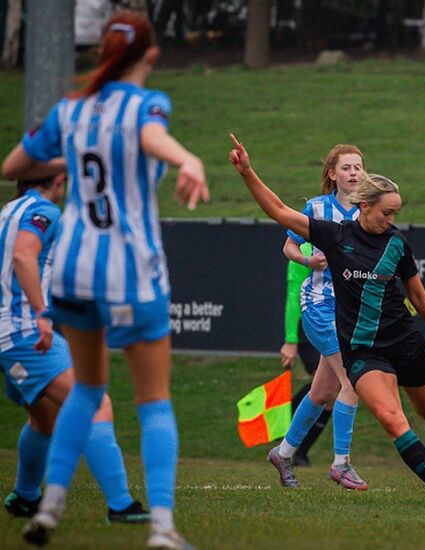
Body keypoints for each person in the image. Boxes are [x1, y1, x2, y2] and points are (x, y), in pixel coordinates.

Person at [2, 10, 209, 549]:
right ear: (151, 55)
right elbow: (149, 134)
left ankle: (49, 507)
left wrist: (47, 139)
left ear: (101, 55)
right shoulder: (147, 103)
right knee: (153, 402)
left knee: (88, 391)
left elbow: (14, 163)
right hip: (131, 272)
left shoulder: (68, 111)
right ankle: (162, 528)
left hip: (72, 270)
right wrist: (187, 158)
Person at [229, 134, 425, 508]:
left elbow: (419, 298)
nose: (392, 220)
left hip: (403, 342)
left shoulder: (396, 244)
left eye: (396, 214)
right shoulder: (332, 231)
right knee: (383, 410)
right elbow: (278, 210)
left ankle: (286, 450)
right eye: (387, 213)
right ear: (363, 205)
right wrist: (247, 171)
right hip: (358, 344)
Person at [1, 174, 148, 524]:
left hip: (9, 333)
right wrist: (40, 313)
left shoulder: (8, 210)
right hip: (22, 333)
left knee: (45, 417)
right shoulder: (44, 211)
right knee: (96, 403)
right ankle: (120, 505)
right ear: (58, 178)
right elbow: (24, 255)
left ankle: (25, 497)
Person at [268, 144, 367, 490]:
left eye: (358, 167)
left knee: (322, 391)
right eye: (346, 168)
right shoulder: (317, 207)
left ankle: (283, 453)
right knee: (352, 380)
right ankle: (341, 464)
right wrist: (308, 260)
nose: (354, 173)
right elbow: (288, 246)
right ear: (332, 174)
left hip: (350, 311)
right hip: (319, 306)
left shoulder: (367, 211)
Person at [280, 241, 325, 467]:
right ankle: (286, 430)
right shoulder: (304, 250)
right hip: (308, 323)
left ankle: (299, 452)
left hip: (333, 321)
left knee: (331, 392)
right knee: (325, 382)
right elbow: (293, 294)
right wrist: (290, 340)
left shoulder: (344, 240)